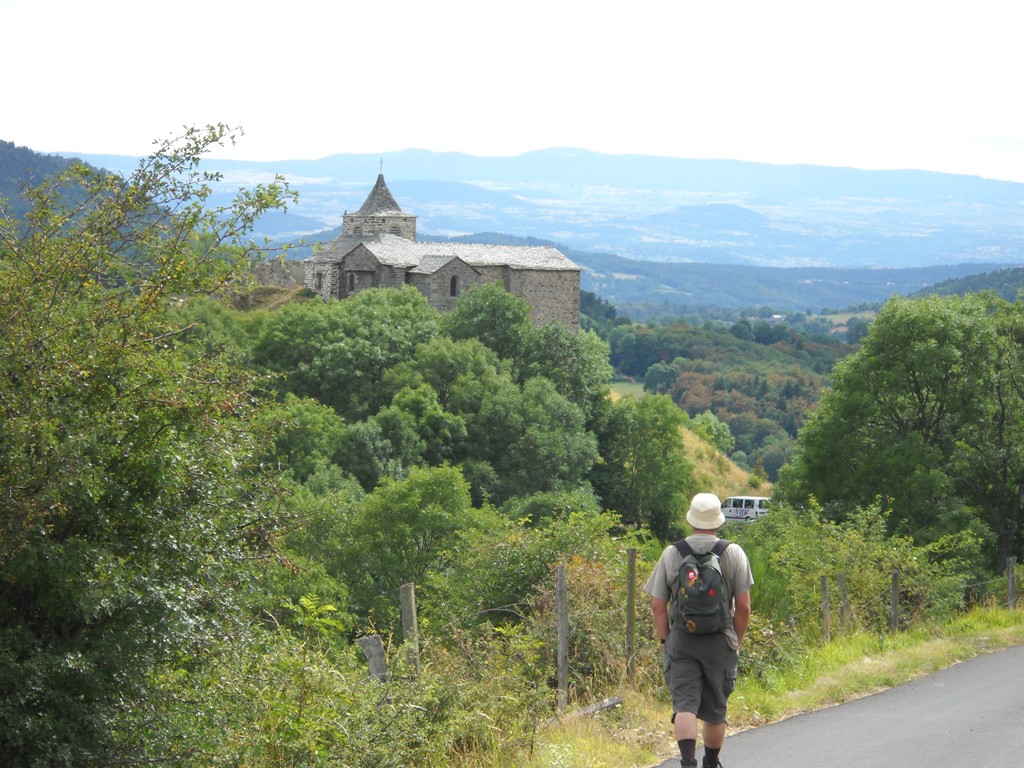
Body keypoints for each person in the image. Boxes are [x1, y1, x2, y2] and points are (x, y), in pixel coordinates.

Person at [644, 493, 753, 768]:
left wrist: (665, 639)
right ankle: (711, 762)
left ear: (691, 520)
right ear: (718, 521)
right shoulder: (733, 552)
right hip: (720, 640)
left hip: (682, 639)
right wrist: (735, 641)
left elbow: (658, 605)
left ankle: (687, 763)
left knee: (684, 706)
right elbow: (743, 607)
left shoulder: (672, 553)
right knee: (715, 710)